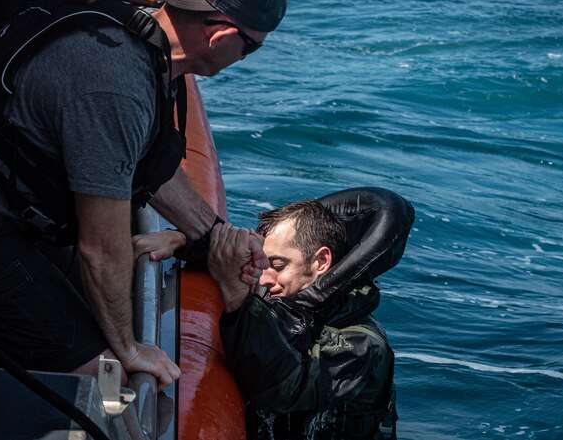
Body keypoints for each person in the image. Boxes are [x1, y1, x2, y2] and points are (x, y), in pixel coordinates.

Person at [0, 0, 284, 388]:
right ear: (223, 38)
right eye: (251, 49)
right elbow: (101, 249)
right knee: (108, 380)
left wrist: (211, 235)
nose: (244, 58)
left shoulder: (131, 30)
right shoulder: (116, 91)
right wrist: (129, 348)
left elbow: (140, 162)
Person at [134, 187, 414, 438]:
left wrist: (235, 294)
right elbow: (235, 264)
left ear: (321, 261)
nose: (265, 280)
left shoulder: (362, 345)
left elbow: (285, 391)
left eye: (278, 265)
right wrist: (181, 241)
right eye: (264, 265)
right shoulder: (284, 291)